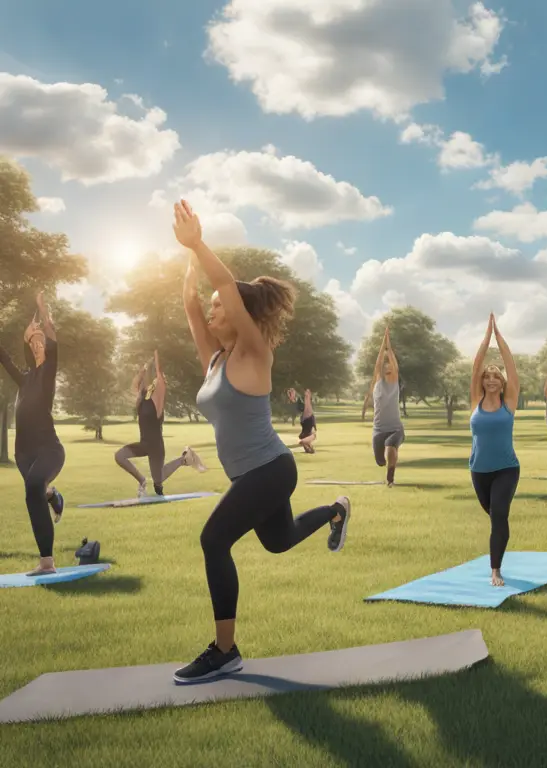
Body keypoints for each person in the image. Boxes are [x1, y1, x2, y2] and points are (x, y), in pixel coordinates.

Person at [170, 199, 350, 684]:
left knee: (213, 540)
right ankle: (336, 510)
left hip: (269, 469)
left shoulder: (254, 352)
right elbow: (191, 304)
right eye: (211, 308)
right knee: (279, 540)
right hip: (255, 473)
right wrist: (187, 257)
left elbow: (224, 286)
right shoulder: (214, 360)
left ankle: (224, 651)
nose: (211, 311)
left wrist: (199, 244)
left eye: (218, 308)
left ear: (238, 313)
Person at [0, 293, 65, 576]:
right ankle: (51, 494)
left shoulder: (48, 371)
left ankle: (47, 563)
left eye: (41, 342)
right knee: (36, 492)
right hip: (23, 453)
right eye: (34, 342)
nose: (39, 345)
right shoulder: (23, 378)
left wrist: (42, 312)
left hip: (49, 450)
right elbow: (3, 357)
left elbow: (53, 340)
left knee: (31, 489)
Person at [469, 313, 521, 587]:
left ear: (501, 383)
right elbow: (476, 365)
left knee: (499, 514)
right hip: (479, 471)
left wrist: (499, 338)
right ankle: (501, 542)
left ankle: (495, 570)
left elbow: (512, 368)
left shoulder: (509, 402)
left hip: (507, 469)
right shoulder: (476, 400)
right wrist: (485, 337)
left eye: (495, 377)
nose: (490, 380)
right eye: (487, 377)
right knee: (495, 517)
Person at [115, 351, 207, 497]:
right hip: (144, 444)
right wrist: (143, 369)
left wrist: (157, 358)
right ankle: (142, 481)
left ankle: (184, 459)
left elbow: (160, 379)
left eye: (146, 376)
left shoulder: (156, 400)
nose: (143, 379)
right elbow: (135, 385)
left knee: (159, 481)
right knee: (119, 456)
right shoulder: (141, 400)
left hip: (156, 446)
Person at [366, 327, 404, 486]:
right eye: (385, 370)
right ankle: (387, 465)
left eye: (391, 370)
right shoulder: (377, 382)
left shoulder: (394, 383)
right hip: (378, 429)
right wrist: (383, 345)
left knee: (390, 446)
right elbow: (378, 363)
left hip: (395, 429)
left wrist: (389, 346)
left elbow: (394, 365)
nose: (389, 371)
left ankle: (390, 479)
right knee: (380, 461)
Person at [288, 387, 317, 454]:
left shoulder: (308, 437)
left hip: (307, 420)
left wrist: (305, 445)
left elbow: (302, 442)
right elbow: (302, 442)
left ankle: (297, 397)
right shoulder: (311, 437)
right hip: (306, 420)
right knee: (307, 405)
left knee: (307, 405)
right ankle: (297, 397)